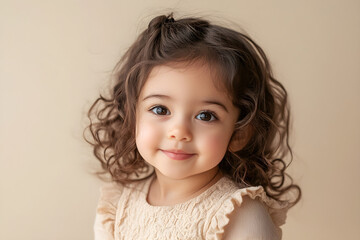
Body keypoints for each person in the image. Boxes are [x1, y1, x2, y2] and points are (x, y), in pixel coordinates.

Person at [85, 13, 301, 240]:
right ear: (131, 116)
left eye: (206, 115)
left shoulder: (238, 216)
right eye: (160, 109)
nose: (179, 131)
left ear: (239, 132)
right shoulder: (120, 204)